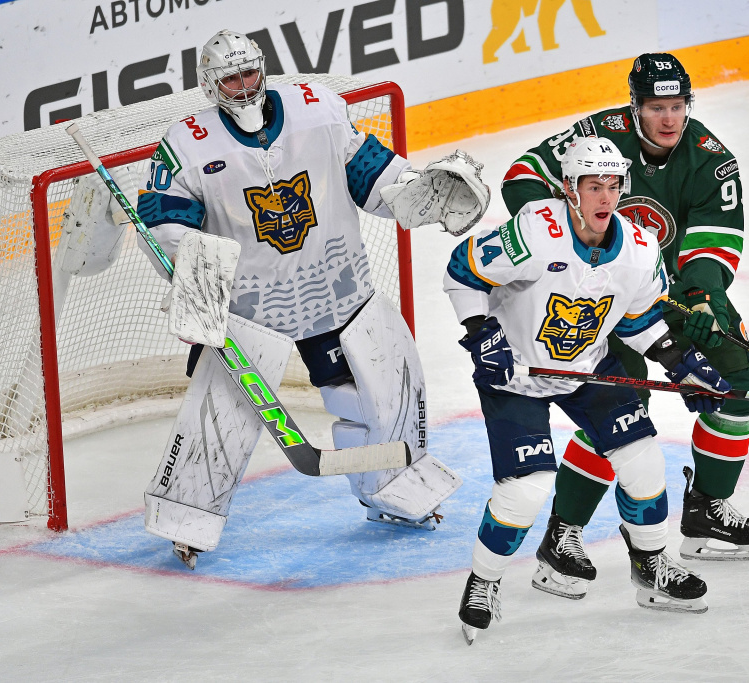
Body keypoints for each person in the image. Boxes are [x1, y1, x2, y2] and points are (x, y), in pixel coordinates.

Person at [136, 29, 487, 569]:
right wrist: (190, 258)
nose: (244, 86)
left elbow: (371, 174)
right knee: (222, 414)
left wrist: (420, 190)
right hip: (251, 309)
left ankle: (393, 490)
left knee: (386, 387)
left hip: (336, 291)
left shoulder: (317, 108)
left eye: (250, 73)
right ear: (210, 85)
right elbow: (162, 218)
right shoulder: (187, 142)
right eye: (231, 79)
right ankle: (186, 518)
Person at [501, 54, 749, 594]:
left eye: (677, 106)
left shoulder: (711, 161)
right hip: (596, 295)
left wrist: (703, 300)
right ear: (635, 107)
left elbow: (711, 244)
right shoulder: (598, 138)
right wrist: (565, 244)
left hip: (667, 295)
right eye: (655, 107)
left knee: (738, 386)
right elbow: (522, 177)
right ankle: (562, 536)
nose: (669, 119)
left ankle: (706, 508)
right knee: (619, 409)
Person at [445, 137, 731, 644]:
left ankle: (651, 564)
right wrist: (481, 333)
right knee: (526, 488)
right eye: (593, 186)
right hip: (515, 374)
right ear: (569, 188)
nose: (606, 197)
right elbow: (462, 272)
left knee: (642, 458)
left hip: (588, 367)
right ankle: (483, 582)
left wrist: (681, 362)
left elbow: (640, 319)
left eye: (614, 185)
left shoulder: (639, 248)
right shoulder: (535, 231)